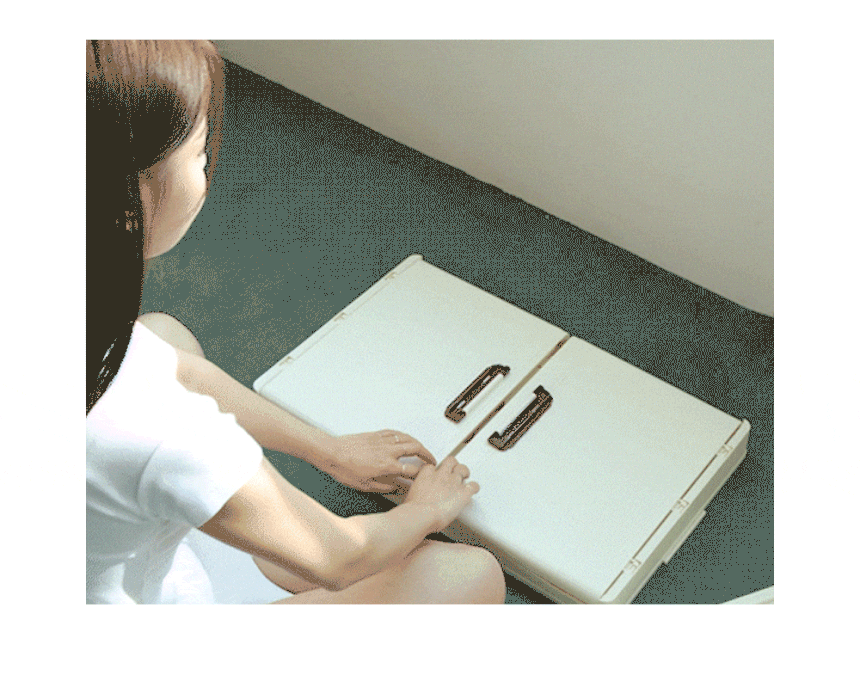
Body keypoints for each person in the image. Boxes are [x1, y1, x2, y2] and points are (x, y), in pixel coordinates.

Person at [86, 39, 506, 604]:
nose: (207, 171)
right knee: (471, 577)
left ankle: (251, 528)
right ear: (128, 196)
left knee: (163, 334)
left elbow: (169, 367)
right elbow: (340, 558)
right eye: (199, 154)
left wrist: (328, 450)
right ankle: (261, 535)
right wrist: (426, 509)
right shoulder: (158, 431)